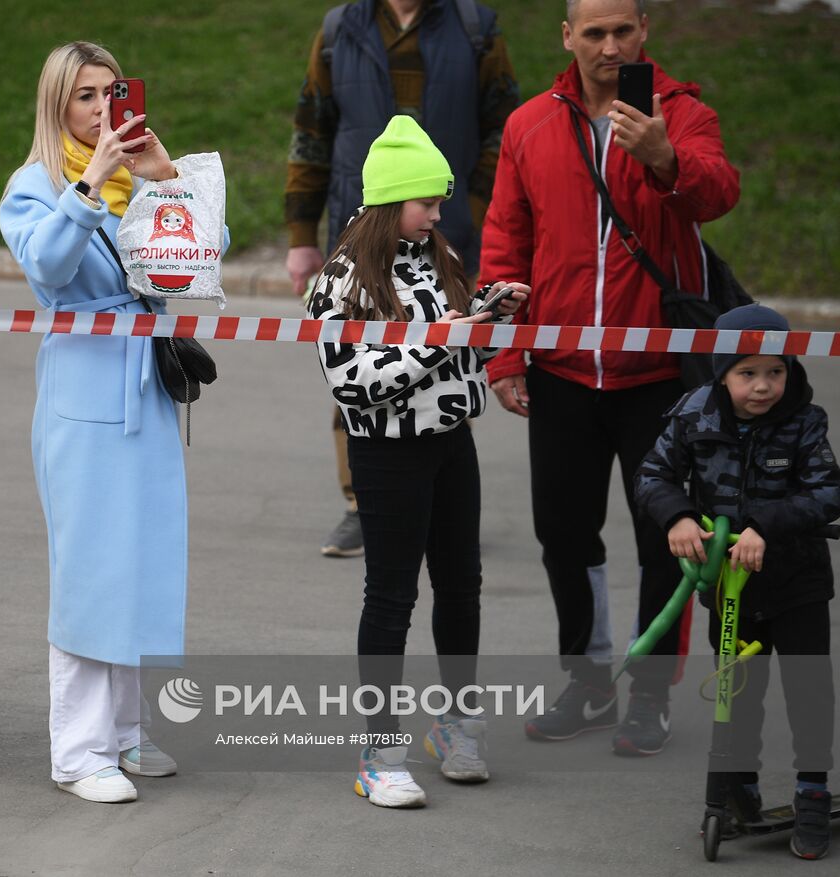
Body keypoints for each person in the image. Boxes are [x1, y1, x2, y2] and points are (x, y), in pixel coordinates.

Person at [481, 0, 740, 755]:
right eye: (592, 32)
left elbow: (718, 193)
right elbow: (506, 241)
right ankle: (590, 680)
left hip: (661, 373)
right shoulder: (530, 123)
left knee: (668, 537)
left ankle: (650, 694)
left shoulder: (682, 114)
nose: (608, 45)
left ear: (643, 32)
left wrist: (664, 156)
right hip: (562, 370)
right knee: (562, 532)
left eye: (622, 30)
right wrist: (504, 354)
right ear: (567, 38)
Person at [0, 41, 200, 804]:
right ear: (58, 106)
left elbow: (197, 263)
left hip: (146, 380)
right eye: (85, 96)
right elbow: (47, 268)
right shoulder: (33, 184)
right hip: (82, 387)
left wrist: (168, 182)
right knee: (89, 567)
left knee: (141, 555)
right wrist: (90, 183)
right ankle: (78, 750)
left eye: (111, 92)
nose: (101, 108)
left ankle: (123, 731)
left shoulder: (142, 178)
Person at [309, 116, 527, 808]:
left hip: (451, 443)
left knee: (462, 585)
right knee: (391, 596)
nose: (439, 213)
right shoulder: (341, 276)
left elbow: (465, 355)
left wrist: (493, 322)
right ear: (391, 201)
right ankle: (378, 751)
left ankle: (456, 722)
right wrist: (446, 339)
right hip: (386, 452)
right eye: (428, 201)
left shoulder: (441, 256)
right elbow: (352, 383)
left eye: (440, 202)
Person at [285, 0, 519, 558]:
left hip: (444, 229)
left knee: (445, 345)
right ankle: (360, 505)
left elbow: (503, 128)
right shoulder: (342, 28)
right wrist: (300, 233)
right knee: (364, 366)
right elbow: (311, 130)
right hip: (365, 225)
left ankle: (440, 496)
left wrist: (471, 206)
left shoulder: (475, 28)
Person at [634, 304, 839, 860]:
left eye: (775, 371)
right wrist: (676, 515)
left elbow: (826, 492)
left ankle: (812, 792)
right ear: (722, 372)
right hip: (727, 585)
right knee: (736, 692)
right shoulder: (694, 414)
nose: (764, 385)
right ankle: (740, 788)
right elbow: (652, 473)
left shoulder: (804, 419)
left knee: (808, 690)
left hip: (795, 579)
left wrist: (763, 527)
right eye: (747, 373)